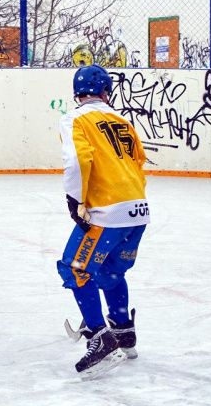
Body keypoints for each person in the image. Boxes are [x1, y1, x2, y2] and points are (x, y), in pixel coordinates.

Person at [56, 64, 149, 378]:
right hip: (138, 209)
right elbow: (138, 160)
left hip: (107, 211)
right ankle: (123, 329)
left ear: (77, 94)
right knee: (110, 271)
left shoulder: (74, 118)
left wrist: (75, 199)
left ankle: (100, 335)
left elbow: (77, 159)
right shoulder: (122, 119)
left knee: (75, 267)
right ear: (106, 92)